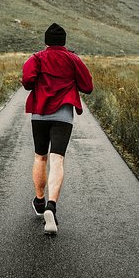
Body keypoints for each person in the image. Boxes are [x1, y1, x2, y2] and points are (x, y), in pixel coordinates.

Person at [22, 23, 93, 235]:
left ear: (46, 41)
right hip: (63, 115)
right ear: (64, 41)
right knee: (57, 159)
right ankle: (52, 205)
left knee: (40, 157)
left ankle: (40, 201)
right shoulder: (73, 59)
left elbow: (27, 81)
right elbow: (87, 87)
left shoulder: (36, 58)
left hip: (40, 114)